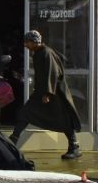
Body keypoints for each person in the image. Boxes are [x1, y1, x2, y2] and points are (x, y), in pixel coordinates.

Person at [9, 30, 82, 160]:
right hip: (41, 93)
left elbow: (52, 73)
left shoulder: (46, 53)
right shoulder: (38, 53)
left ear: (33, 42)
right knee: (25, 113)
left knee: (63, 119)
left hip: (53, 93)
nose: (25, 45)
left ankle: (74, 147)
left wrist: (48, 93)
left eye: (27, 42)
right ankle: (12, 142)